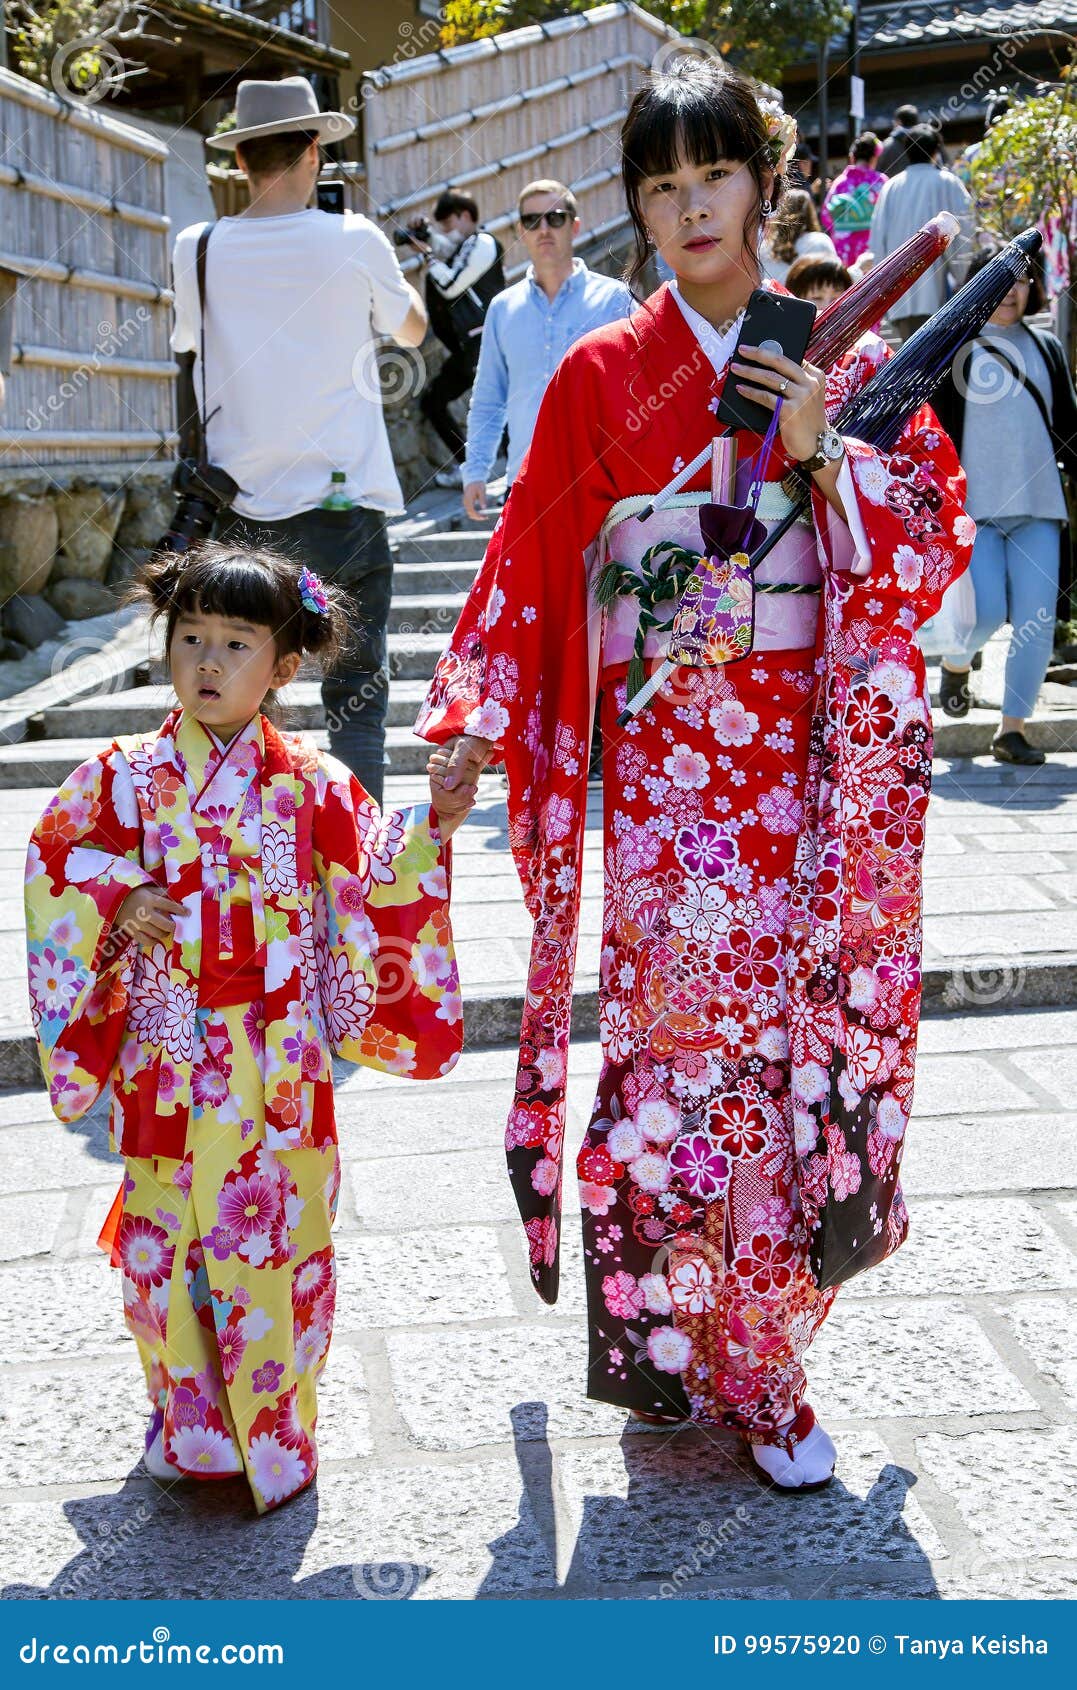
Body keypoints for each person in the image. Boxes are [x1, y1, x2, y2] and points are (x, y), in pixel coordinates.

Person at [417, 53, 972, 1492]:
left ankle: (767, 1362)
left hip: (806, 775)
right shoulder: (606, 371)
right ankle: (700, 1348)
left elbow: (925, 545)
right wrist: (478, 711)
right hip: (671, 781)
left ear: (764, 180)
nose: (691, 208)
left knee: (794, 1059)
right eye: (660, 188)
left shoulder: (835, 354)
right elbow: (535, 548)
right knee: (683, 1060)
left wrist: (820, 455)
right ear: (637, 211)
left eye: (714, 175)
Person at [25, 544, 471, 1514]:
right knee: (167, 1246)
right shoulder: (122, 778)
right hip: (166, 1061)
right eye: (189, 639)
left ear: (284, 666)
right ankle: (186, 1423)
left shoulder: (309, 783)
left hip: (278, 1070)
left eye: (234, 642)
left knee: (278, 1247)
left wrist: (434, 820)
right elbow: (56, 859)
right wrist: (115, 891)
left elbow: (378, 880)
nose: (208, 663)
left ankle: (275, 1432)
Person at [171, 76, 427, 805]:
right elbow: (410, 330)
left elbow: (188, 345)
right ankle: (362, 864)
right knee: (356, 701)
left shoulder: (199, 248)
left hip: (241, 516)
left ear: (241, 159)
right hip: (344, 510)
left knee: (238, 705)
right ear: (315, 150)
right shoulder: (354, 239)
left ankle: (241, 868)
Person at [933, 251, 1077, 765]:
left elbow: (1068, 427)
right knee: (986, 610)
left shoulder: (1047, 346)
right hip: (977, 512)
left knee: (1037, 621)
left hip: (1040, 508)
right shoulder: (955, 351)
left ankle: (1011, 730)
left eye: (1022, 281)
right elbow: (937, 433)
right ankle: (956, 663)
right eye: (1002, 282)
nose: (1013, 291)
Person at [461, 179, 636, 522]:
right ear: (520, 231)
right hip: (525, 486)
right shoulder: (502, 308)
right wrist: (475, 472)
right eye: (531, 221)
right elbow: (488, 399)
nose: (543, 229)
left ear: (574, 225)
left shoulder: (615, 300)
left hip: (599, 485)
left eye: (554, 218)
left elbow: (636, 392)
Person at [402, 189, 505, 490]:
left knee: (501, 407)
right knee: (435, 402)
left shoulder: (484, 243)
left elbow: (449, 283)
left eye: (447, 224)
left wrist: (428, 254)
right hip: (467, 347)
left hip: (485, 343)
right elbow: (449, 250)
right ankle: (471, 470)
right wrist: (427, 236)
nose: (445, 233)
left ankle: (515, 476)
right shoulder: (465, 246)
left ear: (464, 216)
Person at [867, 125, 973, 343]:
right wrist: (963, 277)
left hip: (899, 294)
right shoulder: (948, 181)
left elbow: (878, 241)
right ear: (936, 151)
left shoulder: (890, 187)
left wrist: (883, 290)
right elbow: (965, 233)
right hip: (940, 293)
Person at [820, 133, 886, 265]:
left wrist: (845, 226)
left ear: (852, 157)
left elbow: (826, 215)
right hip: (872, 245)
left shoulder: (840, 182)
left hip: (844, 247)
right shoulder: (881, 182)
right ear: (874, 158)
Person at [760, 187, 837, 285]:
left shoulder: (764, 246)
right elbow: (835, 279)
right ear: (810, 212)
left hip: (772, 298)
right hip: (807, 300)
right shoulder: (821, 241)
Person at [877, 104, 920, 177]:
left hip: (893, 186)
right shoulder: (926, 142)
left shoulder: (886, 145)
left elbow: (877, 170)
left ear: (899, 122)